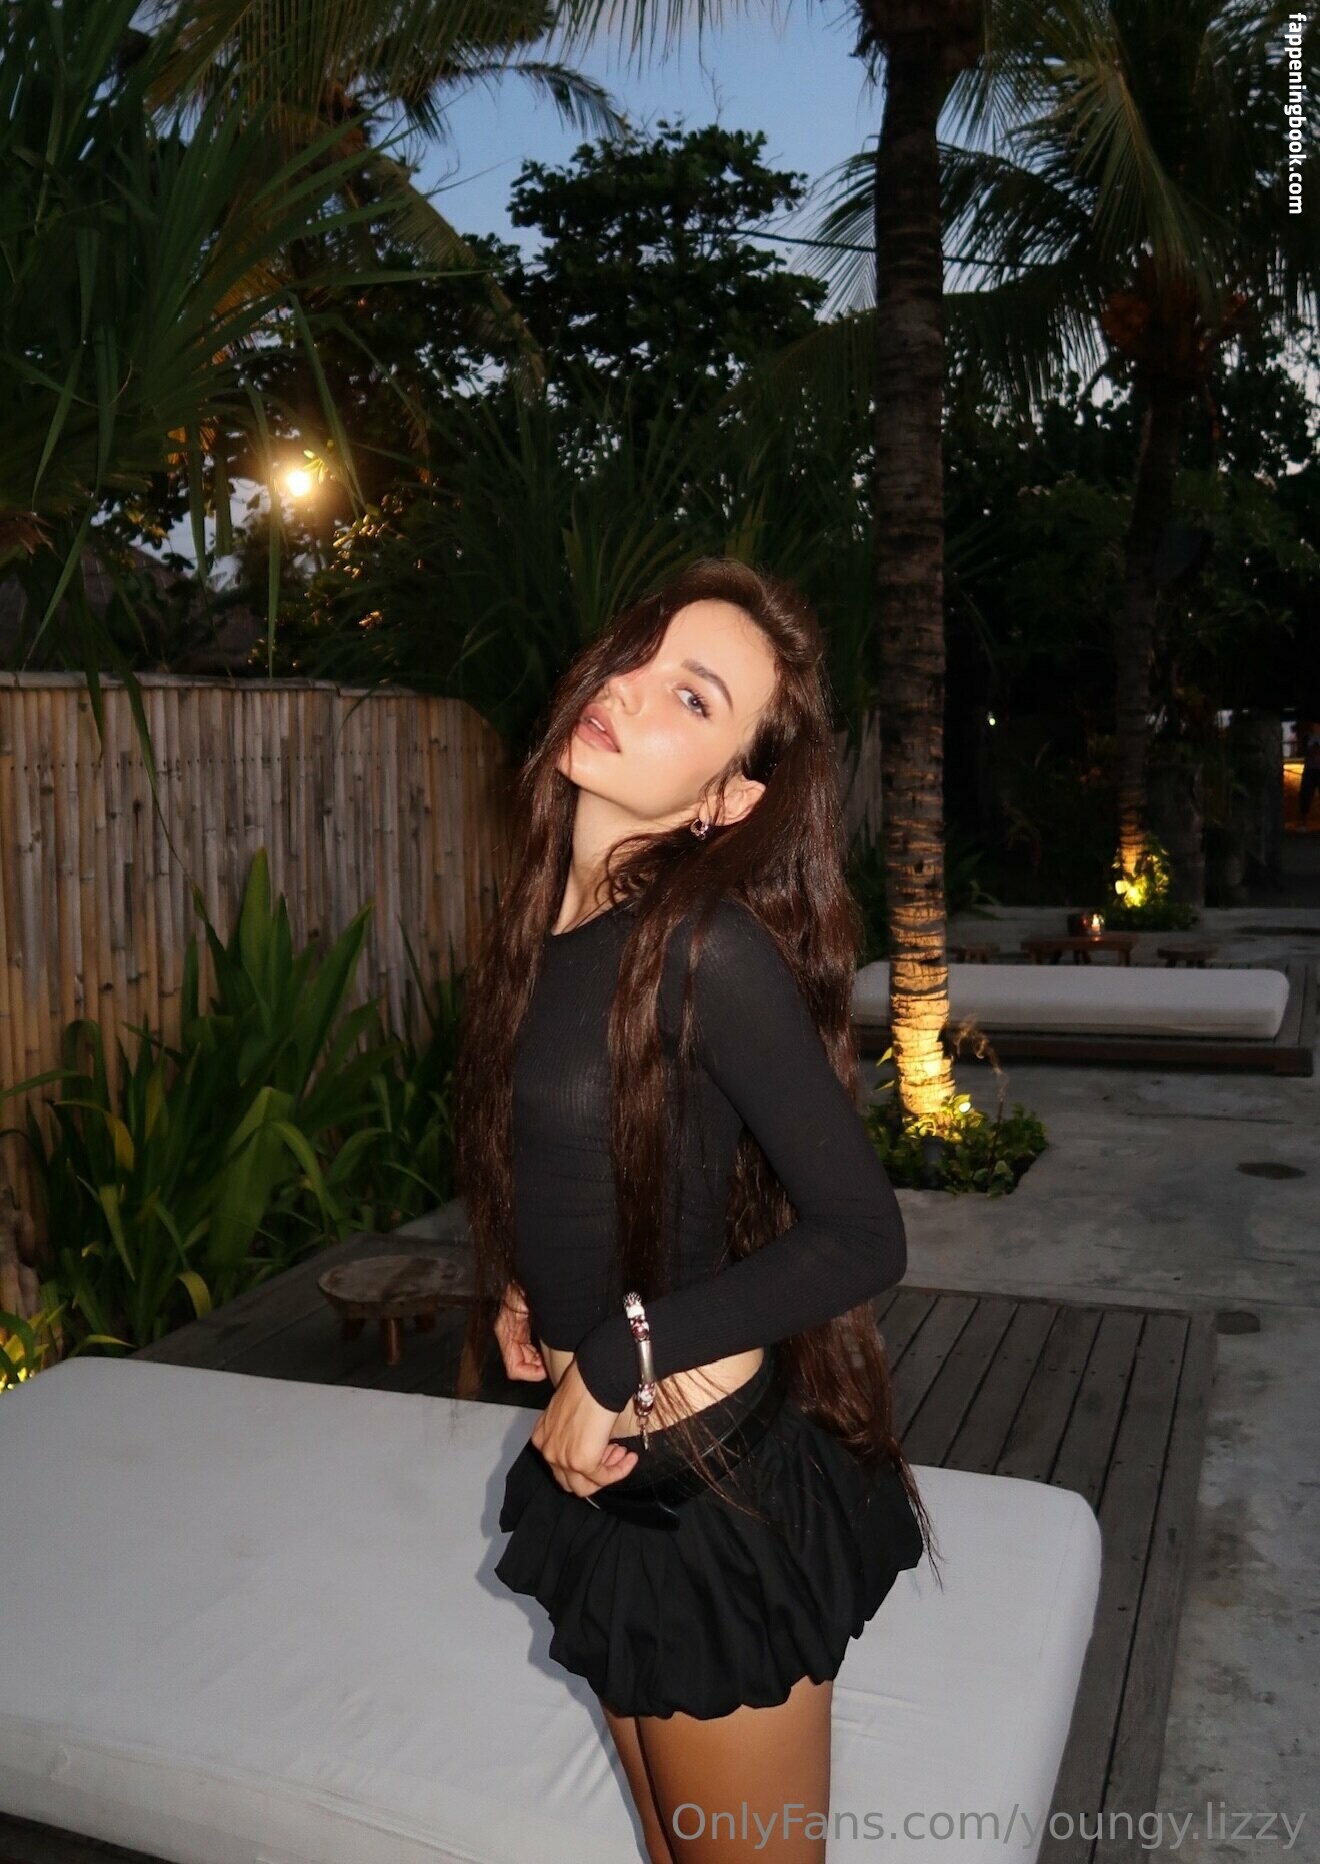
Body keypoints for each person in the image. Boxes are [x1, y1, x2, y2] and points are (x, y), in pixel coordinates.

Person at [454, 557, 937, 1863]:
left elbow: (863, 1237)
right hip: (603, 1475)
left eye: (693, 694)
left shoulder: (705, 949)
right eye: (641, 652)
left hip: (710, 1495)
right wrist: (539, 1292)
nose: (629, 688)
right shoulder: (547, 930)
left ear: (729, 798)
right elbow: (603, 1147)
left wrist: (617, 1353)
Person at [1299, 720, 1320, 827]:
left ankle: (1304, 823)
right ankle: (1304, 823)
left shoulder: (1307, 737)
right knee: (1305, 796)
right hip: (1309, 770)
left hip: (1311, 769)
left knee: (1306, 795)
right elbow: (1302, 751)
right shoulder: (1306, 737)